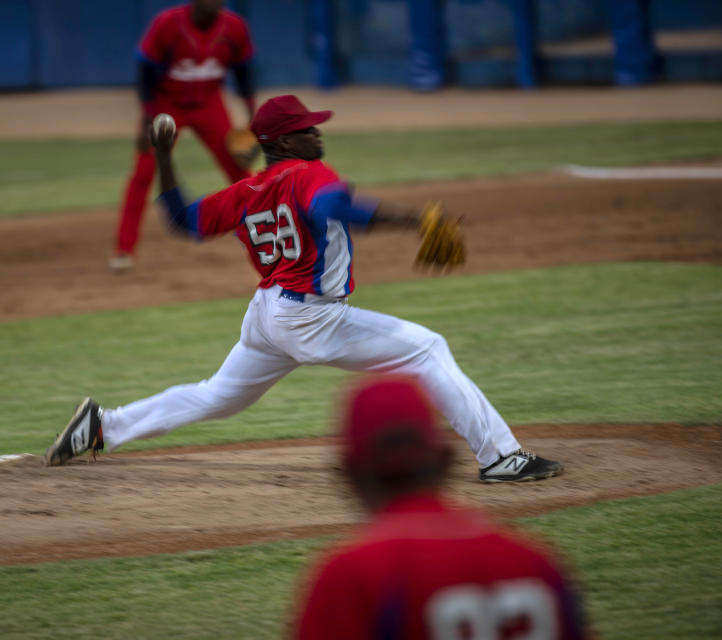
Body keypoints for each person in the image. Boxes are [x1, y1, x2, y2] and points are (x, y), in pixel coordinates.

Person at [45, 94, 564, 483]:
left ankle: (102, 427)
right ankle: (502, 457)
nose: (318, 135)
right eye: (307, 130)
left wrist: (163, 156)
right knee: (429, 348)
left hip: (268, 316)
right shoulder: (309, 174)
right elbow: (329, 207)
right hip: (311, 319)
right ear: (283, 143)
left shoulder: (243, 192)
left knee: (218, 397)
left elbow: (182, 219)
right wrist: (413, 220)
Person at [291, 375, 588, 639]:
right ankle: (498, 455)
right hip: (301, 319)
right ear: (447, 460)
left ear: (348, 473)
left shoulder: (351, 574)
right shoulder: (536, 561)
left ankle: (500, 455)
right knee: (427, 346)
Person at [111, 0, 257, 272]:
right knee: (144, 171)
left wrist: (251, 114)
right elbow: (145, 72)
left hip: (210, 103)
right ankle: (124, 249)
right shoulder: (168, 24)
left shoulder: (234, 27)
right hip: (167, 103)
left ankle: (264, 232)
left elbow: (243, 72)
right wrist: (147, 119)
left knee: (239, 169)